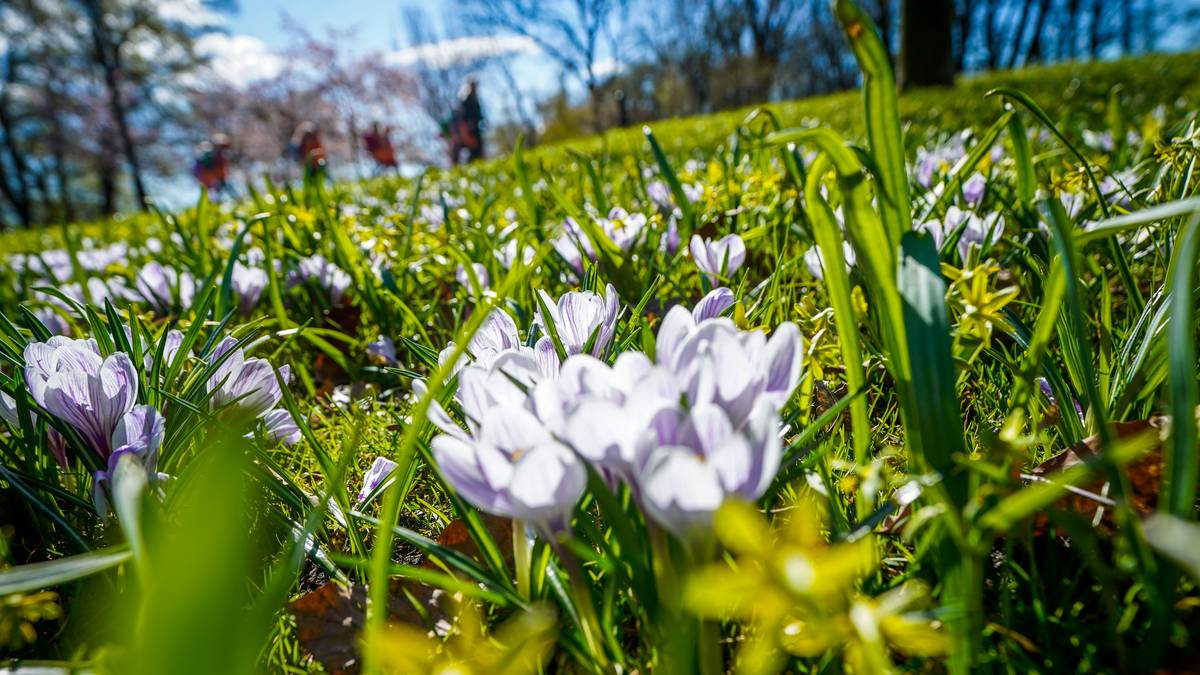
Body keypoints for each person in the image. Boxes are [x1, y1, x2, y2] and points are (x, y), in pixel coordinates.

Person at [452, 77, 484, 164]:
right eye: (472, 85)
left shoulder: (475, 100)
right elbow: (462, 120)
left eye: (475, 85)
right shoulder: (466, 100)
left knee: (478, 157)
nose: (475, 87)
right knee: (468, 157)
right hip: (469, 133)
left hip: (476, 132)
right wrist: (466, 136)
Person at [192, 133, 231, 197]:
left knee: (219, 188)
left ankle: (216, 201)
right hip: (207, 173)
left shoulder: (219, 155)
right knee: (209, 190)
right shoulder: (210, 152)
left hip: (215, 174)